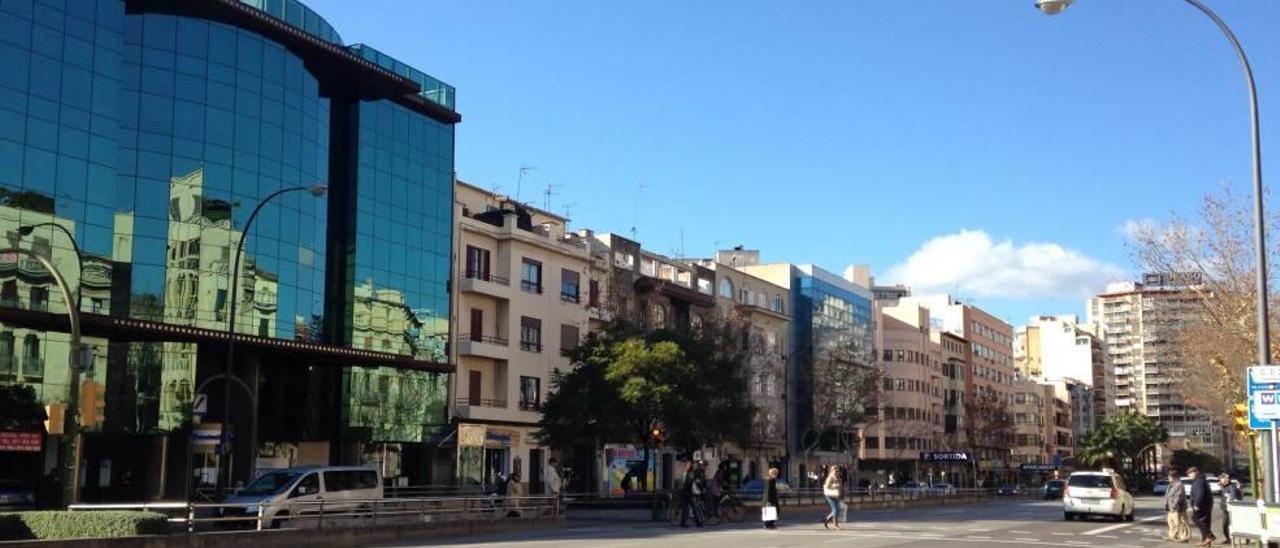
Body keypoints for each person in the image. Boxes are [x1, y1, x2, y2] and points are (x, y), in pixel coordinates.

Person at [1188, 467, 1215, 546]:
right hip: (1205, 505)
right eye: (1189, 473)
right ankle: (1206, 540)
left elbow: (1200, 494)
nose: (1189, 475)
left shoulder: (1199, 481)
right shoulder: (1200, 481)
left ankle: (1209, 536)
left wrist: (1197, 504)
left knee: (1197, 519)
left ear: (1197, 472)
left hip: (1202, 505)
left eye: (1191, 473)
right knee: (1205, 523)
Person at [1164, 471, 1190, 542]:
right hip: (1170, 507)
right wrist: (1167, 505)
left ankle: (1184, 537)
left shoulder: (1179, 485)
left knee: (1181, 522)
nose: (1168, 479)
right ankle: (1173, 535)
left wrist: (1174, 506)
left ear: (1174, 477)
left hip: (1178, 508)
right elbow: (1168, 495)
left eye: (1169, 477)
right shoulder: (1170, 485)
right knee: (1171, 522)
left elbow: (1178, 497)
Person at [679, 460, 704, 528]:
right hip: (688, 493)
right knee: (690, 508)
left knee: (690, 508)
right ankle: (697, 523)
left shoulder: (690, 473)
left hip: (687, 493)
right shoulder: (690, 473)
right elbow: (688, 483)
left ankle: (685, 523)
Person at [1218, 474, 1242, 544]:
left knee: (1230, 525)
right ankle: (1229, 539)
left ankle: (1234, 539)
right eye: (1220, 479)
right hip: (1225, 509)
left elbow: (1233, 498)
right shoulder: (1224, 487)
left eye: (1221, 479)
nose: (1220, 480)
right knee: (1225, 525)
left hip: (1230, 510)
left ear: (1226, 479)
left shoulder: (1231, 487)